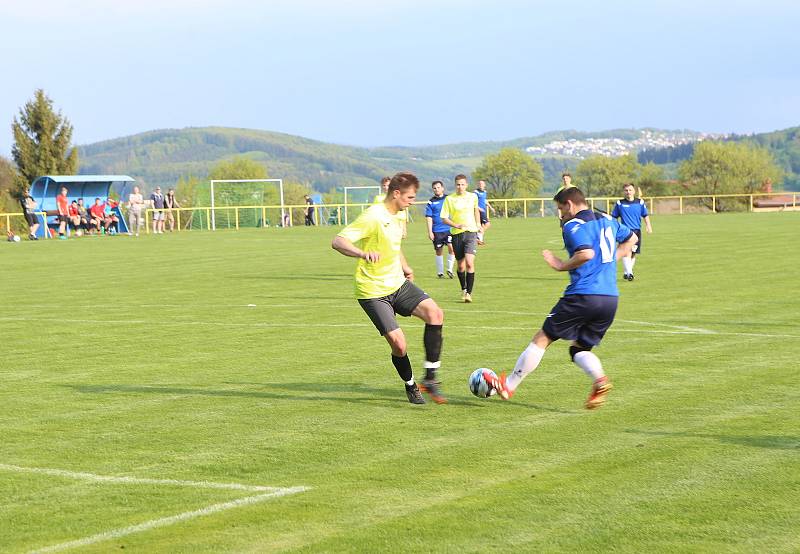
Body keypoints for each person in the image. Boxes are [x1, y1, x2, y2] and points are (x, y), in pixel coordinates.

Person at [484, 186, 638, 409]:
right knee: (579, 349)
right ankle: (600, 380)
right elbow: (632, 238)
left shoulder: (573, 225)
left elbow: (586, 253)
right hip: (610, 298)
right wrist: (613, 256)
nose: (561, 214)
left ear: (570, 204)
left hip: (583, 294)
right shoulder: (606, 219)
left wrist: (560, 265)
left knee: (543, 338)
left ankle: (508, 385)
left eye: (560, 209)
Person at [332, 172, 446, 405]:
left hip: (397, 283)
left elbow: (394, 246)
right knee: (399, 344)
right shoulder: (373, 215)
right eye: (410, 197)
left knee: (435, 314)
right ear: (396, 194)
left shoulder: (398, 215)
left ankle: (431, 378)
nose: (412, 201)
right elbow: (338, 241)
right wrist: (362, 253)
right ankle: (411, 384)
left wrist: (405, 267)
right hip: (372, 291)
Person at [440, 174, 481, 302]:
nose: (460, 187)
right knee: (461, 266)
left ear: (466, 185)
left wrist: (478, 224)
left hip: (471, 233)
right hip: (457, 234)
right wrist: (455, 224)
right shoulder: (449, 199)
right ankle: (463, 288)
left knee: (470, 263)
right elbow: (444, 218)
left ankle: (469, 293)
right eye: (458, 184)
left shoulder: (473, 197)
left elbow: (476, 211)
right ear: (455, 185)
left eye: (463, 184)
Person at [611, 183, 653, 281]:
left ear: (634, 191)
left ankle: (627, 272)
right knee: (626, 252)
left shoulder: (640, 202)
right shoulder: (620, 203)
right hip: (625, 231)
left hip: (637, 231)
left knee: (634, 253)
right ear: (624, 192)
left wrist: (648, 226)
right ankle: (630, 273)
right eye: (626, 190)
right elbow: (614, 218)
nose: (628, 192)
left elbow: (645, 215)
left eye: (630, 190)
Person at [425, 180, 455, 278]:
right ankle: (440, 272)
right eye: (434, 188)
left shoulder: (448, 199)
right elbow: (429, 217)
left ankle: (450, 270)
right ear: (433, 190)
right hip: (437, 230)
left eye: (438, 187)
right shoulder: (431, 202)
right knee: (439, 251)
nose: (437, 189)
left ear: (442, 188)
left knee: (452, 247)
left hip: (449, 229)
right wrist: (430, 231)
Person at [474, 180, 496, 245]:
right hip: (478, 211)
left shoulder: (485, 192)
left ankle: (480, 240)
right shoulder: (476, 192)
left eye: (482, 184)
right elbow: (473, 201)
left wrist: (491, 207)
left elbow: (485, 200)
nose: (481, 185)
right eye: (479, 184)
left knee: (481, 226)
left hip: (483, 210)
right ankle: (478, 235)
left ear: (484, 185)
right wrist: (478, 208)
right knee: (487, 224)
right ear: (478, 185)